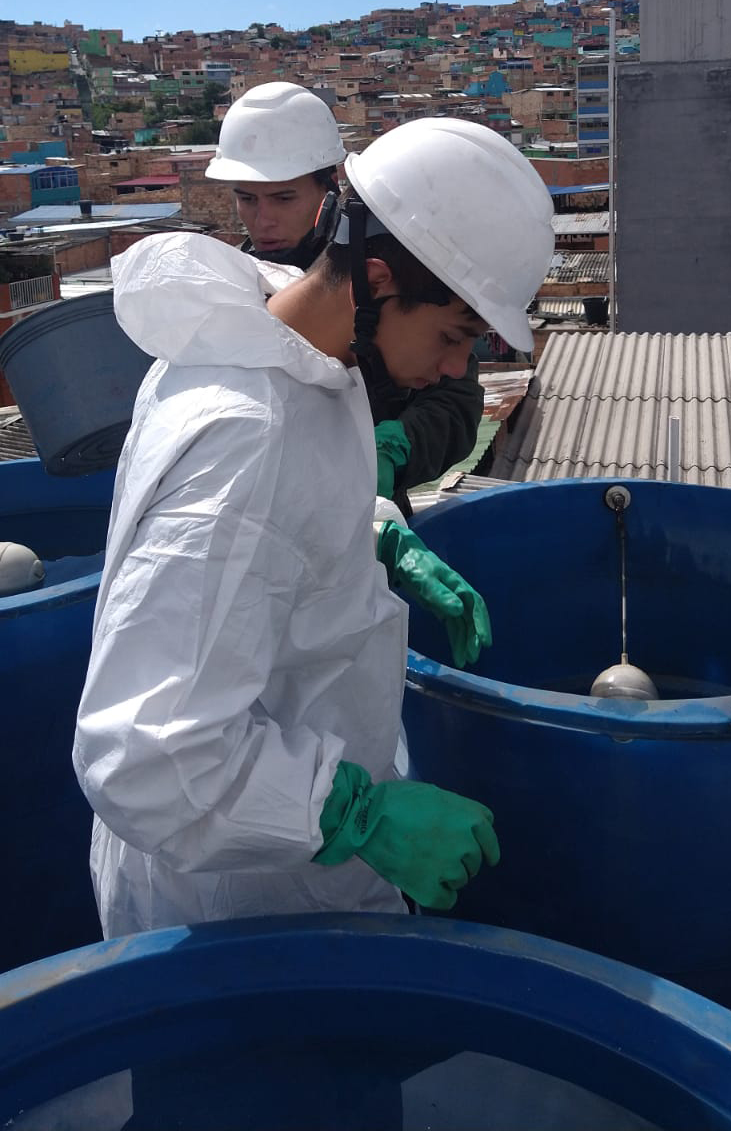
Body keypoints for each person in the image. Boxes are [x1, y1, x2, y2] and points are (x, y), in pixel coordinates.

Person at [73, 117, 555, 939]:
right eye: (452, 336)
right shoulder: (242, 441)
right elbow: (151, 757)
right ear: (376, 277)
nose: (451, 371)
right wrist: (360, 818)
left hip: (294, 864)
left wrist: (370, 531)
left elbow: (262, 540)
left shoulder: (273, 338)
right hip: (246, 905)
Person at [206, 82, 485, 507]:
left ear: (328, 187)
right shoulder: (234, 291)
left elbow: (455, 398)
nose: (263, 220)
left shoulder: (389, 260)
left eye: (283, 198)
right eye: (247, 200)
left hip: (376, 504)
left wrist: (395, 447)